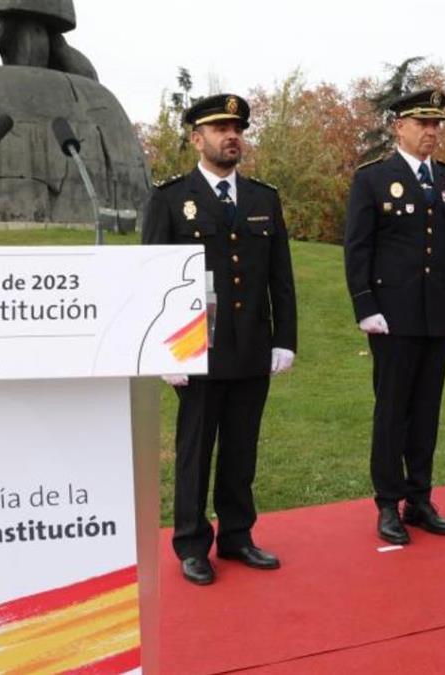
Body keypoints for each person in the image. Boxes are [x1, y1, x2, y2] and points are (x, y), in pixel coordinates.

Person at [142, 94, 297, 586]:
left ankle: (236, 534)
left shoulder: (262, 199)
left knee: (240, 449)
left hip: (251, 344)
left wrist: (284, 339)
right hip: (195, 348)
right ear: (196, 138)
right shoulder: (170, 199)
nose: (232, 135)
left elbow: (281, 277)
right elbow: (151, 279)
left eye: (237, 128)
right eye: (219, 128)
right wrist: (163, 349)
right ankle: (191, 542)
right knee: (195, 450)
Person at [343, 88, 445, 545]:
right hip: (392, 317)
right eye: (422, 123)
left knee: (426, 412)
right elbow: (359, 248)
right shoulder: (374, 178)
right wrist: (366, 307)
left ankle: (420, 498)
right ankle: (387, 503)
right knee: (392, 411)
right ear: (399, 126)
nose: (431, 132)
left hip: (437, 314)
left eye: (436, 124)